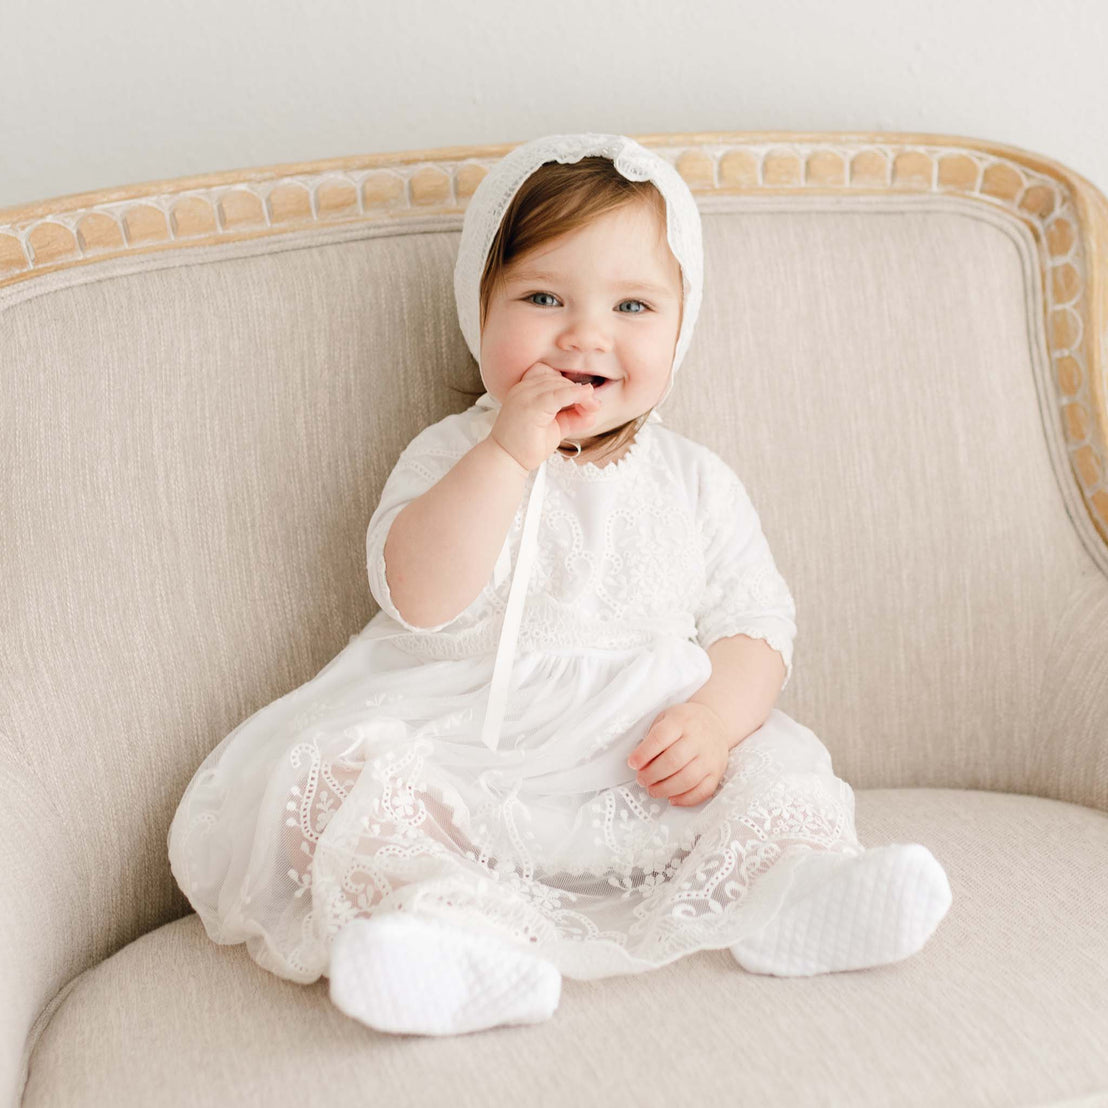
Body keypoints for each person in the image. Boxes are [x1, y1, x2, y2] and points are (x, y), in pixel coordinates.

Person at [167, 132, 953, 1039]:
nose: (587, 334)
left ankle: (795, 892)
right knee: (338, 781)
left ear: (678, 328)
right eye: (543, 298)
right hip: (469, 745)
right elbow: (419, 597)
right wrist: (509, 452)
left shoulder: (695, 480)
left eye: (632, 304)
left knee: (776, 765)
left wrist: (713, 722)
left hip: (643, 765)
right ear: (481, 312)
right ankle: (452, 931)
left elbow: (756, 623)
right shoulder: (453, 452)